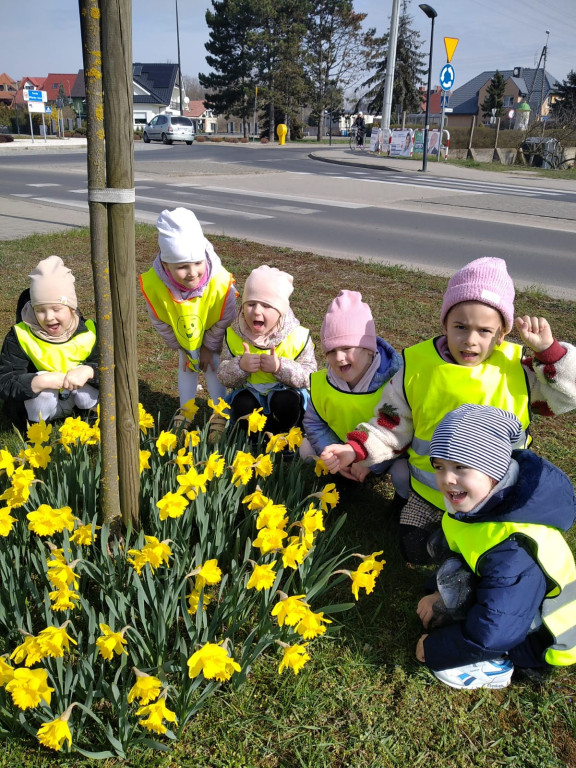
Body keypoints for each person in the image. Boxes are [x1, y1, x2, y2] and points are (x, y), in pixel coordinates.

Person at [320, 257, 576, 564]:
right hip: (431, 490)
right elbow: (390, 422)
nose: (470, 340)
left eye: (484, 331)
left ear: (502, 334)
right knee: (414, 551)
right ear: (444, 324)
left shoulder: (519, 366)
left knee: (496, 557)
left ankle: (468, 545)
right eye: (460, 327)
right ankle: (450, 538)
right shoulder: (417, 366)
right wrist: (356, 448)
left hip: (495, 496)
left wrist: (550, 353)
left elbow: (564, 398)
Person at [415, 404, 576, 690]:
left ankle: (497, 665)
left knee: (474, 648)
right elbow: (466, 555)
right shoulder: (482, 504)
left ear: (495, 469)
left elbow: (496, 629)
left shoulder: (514, 549)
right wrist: (438, 593)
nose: (447, 479)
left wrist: (438, 648)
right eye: (439, 466)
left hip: (542, 638)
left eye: (461, 466)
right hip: (511, 605)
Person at [300, 290, 409, 502]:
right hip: (346, 452)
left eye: (347, 348)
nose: (339, 358)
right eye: (331, 351)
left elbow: (396, 434)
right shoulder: (324, 383)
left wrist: (368, 461)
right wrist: (335, 457)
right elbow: (314, 424)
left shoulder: (394, 382)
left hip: (384, 455)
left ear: (369, 349)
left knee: (403, 472)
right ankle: (335, 481)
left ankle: (402, 504)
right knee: (305, 448)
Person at [140, 207, 236, 418]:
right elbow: (160, 320)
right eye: (182, 267)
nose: (192, 273)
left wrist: (210, 347)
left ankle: (220, 411)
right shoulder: (156, 284)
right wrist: (181, 346)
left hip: (214, 330)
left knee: (212, 364)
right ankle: (186, 411)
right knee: (186, 366)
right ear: (166, 265)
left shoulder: (219, 281)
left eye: (198, 263)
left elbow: (226, 316)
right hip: (184, 336)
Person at [217, 265, 317, 437]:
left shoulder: (297, 336)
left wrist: (280, 367)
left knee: (286, 401)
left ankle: (287, 435)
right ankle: (255, 438)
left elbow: (310, 376)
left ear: (280, 311)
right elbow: (223, 376)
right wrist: (240, 366)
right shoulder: (233, 334)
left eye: (266, 305)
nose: (256, 311)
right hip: (251, 394)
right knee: (242, 403)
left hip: (286, 394)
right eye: (251, 304)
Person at [0, 255, 99, 427]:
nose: (49, 317)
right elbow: (5, 382)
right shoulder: (20, 335)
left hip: (75, 399)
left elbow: (116, 369)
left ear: (71, 307)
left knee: (86, 378)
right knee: (42, 386)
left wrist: (90, 371)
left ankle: (90, 417)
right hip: (37, 406)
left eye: (56, 309)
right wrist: (38, 382)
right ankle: (36, 429)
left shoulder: (90, 331)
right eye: (40, 310)